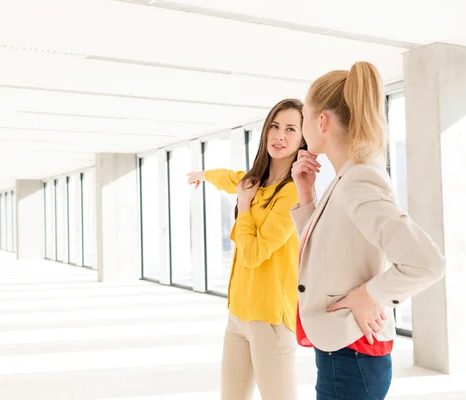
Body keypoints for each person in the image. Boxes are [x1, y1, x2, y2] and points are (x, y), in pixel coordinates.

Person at [290, 62, 446, 400]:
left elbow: (427, 262)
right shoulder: (346, 178)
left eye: (303, 117)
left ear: (322, 121)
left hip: (352, 354)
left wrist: (370, 294)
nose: (301, 127)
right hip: (344, 351)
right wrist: (306, 196)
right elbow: (329, 253)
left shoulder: (358, 179)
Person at [187, 99, 306, 400]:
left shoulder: (293, 192)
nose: (280, 135)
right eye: (275, 127)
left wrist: (243, 206)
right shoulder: (254, 181)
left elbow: (253, 253)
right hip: (237, 314)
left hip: (270, 319)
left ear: (303, 139)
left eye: (291, 129)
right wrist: (202, 174)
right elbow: (228, 178)